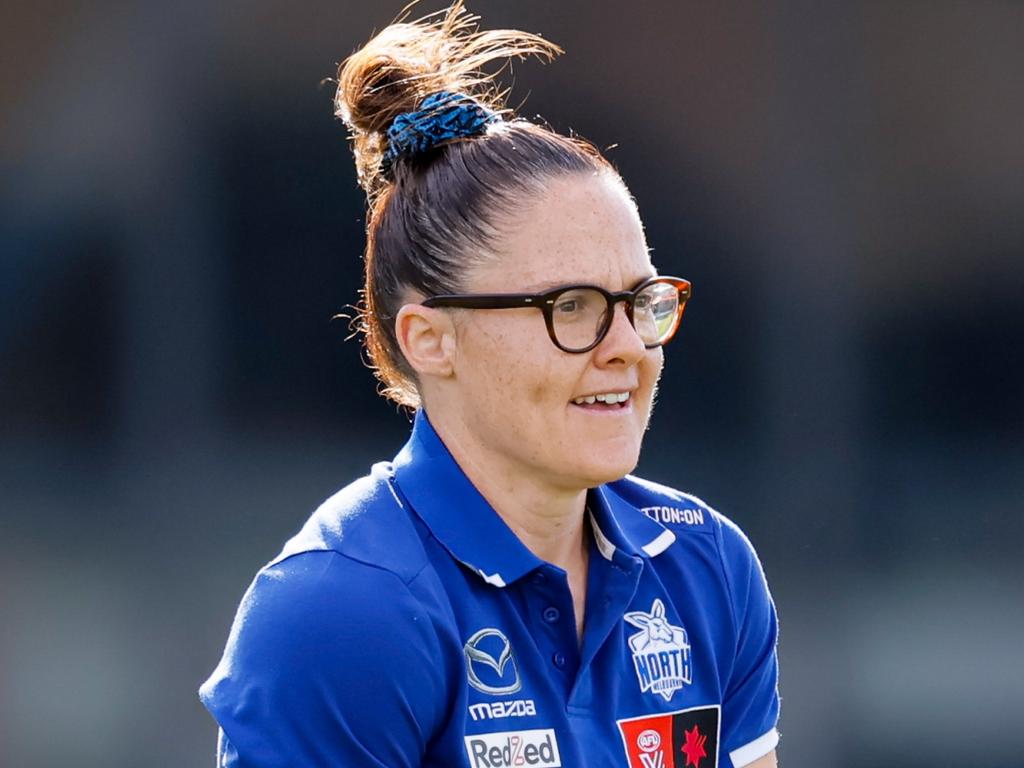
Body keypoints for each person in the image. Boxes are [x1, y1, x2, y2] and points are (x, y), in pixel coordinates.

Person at [199, 3, 781, 766]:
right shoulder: (338, 612)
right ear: (431, 339)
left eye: (640, 303)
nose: (626, 347)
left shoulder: (707, 567)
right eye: (570, 308)